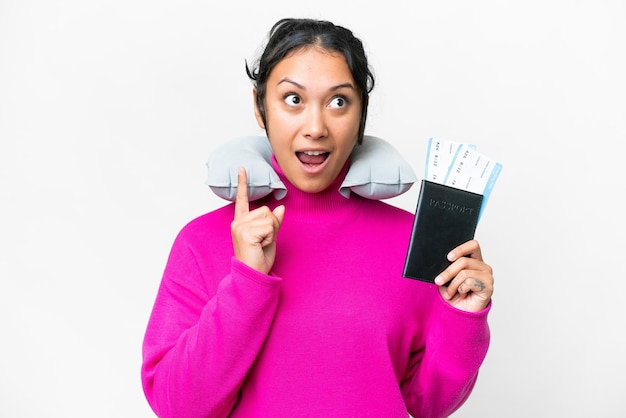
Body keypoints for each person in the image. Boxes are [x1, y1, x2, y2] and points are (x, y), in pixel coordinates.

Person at [141, 17, 493, 418]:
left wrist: (464, 316)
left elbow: (429, 404)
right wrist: (246, 282)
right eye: (293, 99)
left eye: (339, 101)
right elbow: (178, 406)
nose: (315, 127)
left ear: (361, 115)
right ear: (260, 107)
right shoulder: (201, 241)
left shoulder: (413, 241)